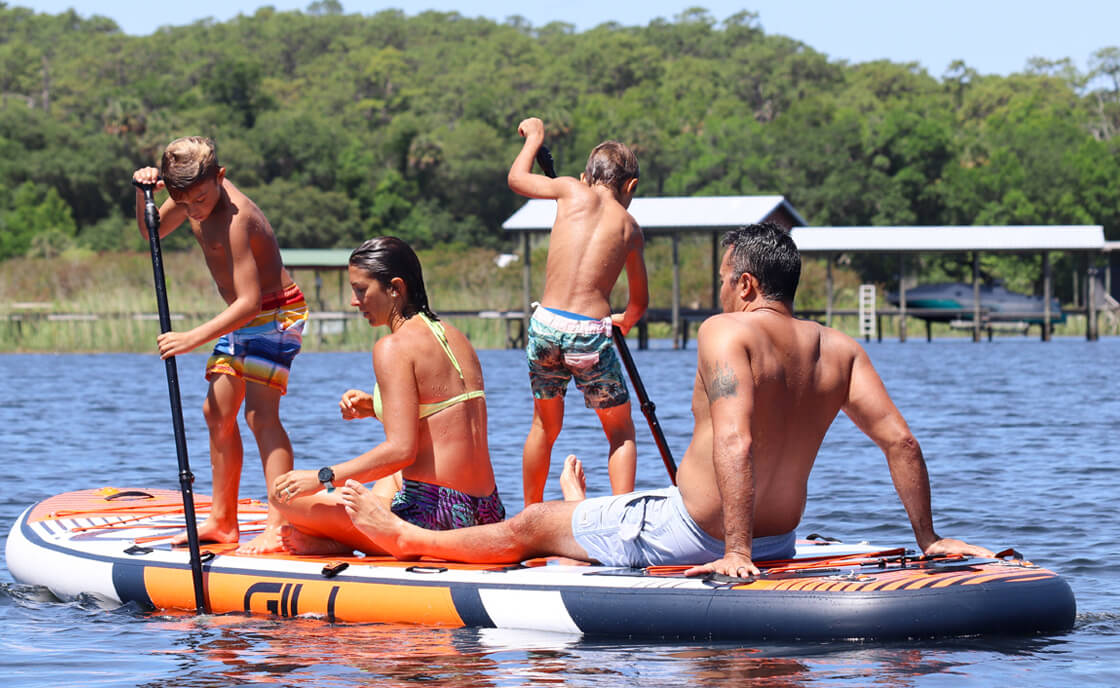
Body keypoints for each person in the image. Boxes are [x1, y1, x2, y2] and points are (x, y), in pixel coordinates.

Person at [339, 223, 993, 576]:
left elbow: (737, 440)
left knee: (530, 524)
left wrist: (733, 551)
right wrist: (927, 538)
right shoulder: (840, 349)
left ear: (744, 283)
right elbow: (901, 441)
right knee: (603, 512)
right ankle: (586, 515)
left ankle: (402, 535)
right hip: (780, 538)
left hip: (699, 533)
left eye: (720, 281)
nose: (715, 294)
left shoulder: (725, 332)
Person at [267, 236, 504, 555]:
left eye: (361, 289)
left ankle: (339, 543)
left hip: (435, 520)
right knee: (392, 479)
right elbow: (444, 417)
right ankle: (345, 537)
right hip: (487, 512)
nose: (354, 301)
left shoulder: (392, 347)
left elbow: (402, 450)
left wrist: (321, 478)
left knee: (285, 498)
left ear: (395, 287)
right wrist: (375, 405)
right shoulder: (456, 336)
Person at [132, 135, 307, 554]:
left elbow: (250, 302)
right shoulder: (191, 193)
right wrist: (143, 194)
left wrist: (192, 338)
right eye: (184, 201)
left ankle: (280, 526)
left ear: (220, 176)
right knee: (216, 413)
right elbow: (151, 232)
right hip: (242, 317)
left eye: (200, 200)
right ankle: (223, 522)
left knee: (260, 416)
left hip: (275, 313)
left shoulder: (237, 217)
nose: (194, 210)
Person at [509, 117, 649, 505]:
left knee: (543, 427)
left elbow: (517, 179)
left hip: (545, 326)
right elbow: (639, 304)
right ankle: (621, 517)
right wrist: (624, 320)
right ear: (631, 187)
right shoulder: (631, 228)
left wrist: (535, 139)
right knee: (620, 432)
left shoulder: (568, 191)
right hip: (590, 334)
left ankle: (530, 517)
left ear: (586, 177)